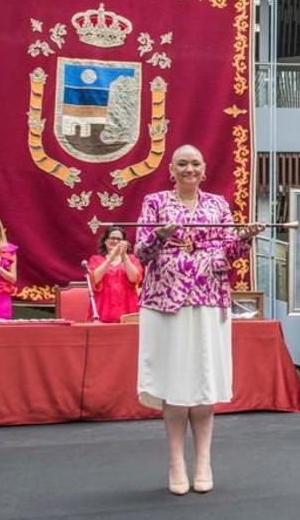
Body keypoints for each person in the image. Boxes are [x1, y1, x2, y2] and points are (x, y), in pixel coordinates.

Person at [134, 144, 264, 495]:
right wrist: (160, 235)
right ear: (171, 169)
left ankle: (203, 460)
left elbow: (229, 250)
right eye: (182, 164)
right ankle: (176, 462)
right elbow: (141, 252)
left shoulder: (218, 205)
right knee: (174, 380)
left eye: (195, 164)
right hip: (166, 299)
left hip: (209, 297)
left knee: (204, 379)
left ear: (204, 169)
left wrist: (245, 238)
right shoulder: (155, 202)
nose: (189, 169)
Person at [88, 225, 143, 323]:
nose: (115, 241)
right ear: (105, 241)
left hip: (127, 311)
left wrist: (124, 255)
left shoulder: (132, 259)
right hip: (102, 310)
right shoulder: (95, 259)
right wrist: (112, 256)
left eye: (119, 239)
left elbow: (134, 278)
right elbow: (95, 279)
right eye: (112, 238)